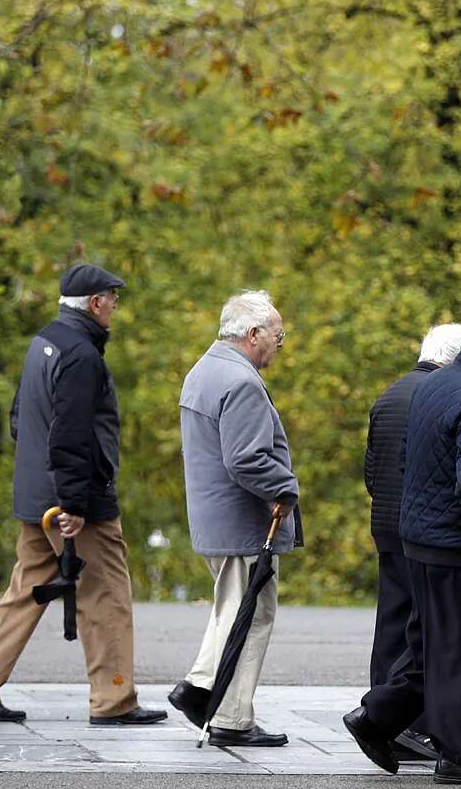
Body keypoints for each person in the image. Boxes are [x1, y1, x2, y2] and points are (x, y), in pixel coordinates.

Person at [0, 264, 167, 726]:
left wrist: (43, 485)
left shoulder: (44, 342)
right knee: (106, 594)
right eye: (112, 298)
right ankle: (114, 700)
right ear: (94, 303)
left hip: (36, 494)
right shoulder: (82, 356)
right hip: (73, 503)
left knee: (27, 590)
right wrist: (73, 503)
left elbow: (19, 418)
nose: (115, 306)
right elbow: (70, 435)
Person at [342, 304, 461, 786]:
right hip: (453, 548)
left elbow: (406, 462)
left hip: (418, 543)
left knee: (428, 650)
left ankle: (376, 719)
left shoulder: (433, 387)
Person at [167, 290, 300, 748]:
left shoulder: (203, 370)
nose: (280, 344)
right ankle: (228, 713)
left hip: (214, 518)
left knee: (233, 609)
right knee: (251, 614)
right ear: (253, 334)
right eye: (277, 336)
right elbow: (246, 459)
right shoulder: (240, 381)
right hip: (242, 522)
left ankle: (205, 691)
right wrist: (286, 487)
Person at [363, 323, 461, 762]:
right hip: (422, 531)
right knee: (425, 630)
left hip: (385, 524)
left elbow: (371, 467)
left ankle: (379, 719)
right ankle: (410, 726)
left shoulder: (389, 394)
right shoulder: (440, 396)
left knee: (391, 624)